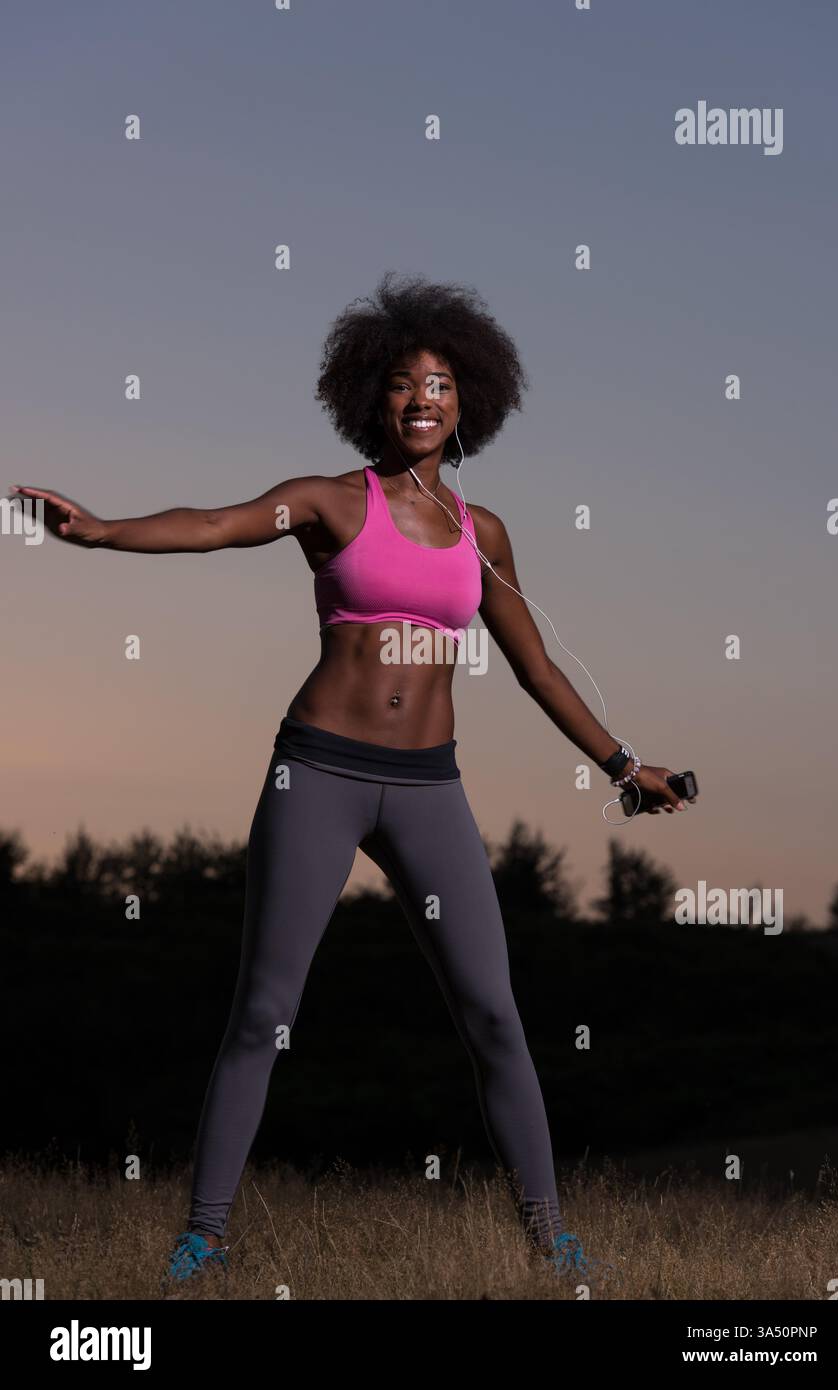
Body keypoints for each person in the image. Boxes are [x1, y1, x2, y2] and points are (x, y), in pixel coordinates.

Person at [13, 271, 689, 1289]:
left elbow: (538, 666)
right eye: (405, 382)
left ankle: (552, 1240)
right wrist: (103, 531)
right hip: (319, 772)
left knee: (495, 1016)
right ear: (373, 395)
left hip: (429, 786)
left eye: (442, 383)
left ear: (470, 403)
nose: (422, 397)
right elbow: (215, 521)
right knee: (263, 1012)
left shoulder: (483, 534)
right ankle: (203, 1235)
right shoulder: (331, 501)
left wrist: (622, 764)